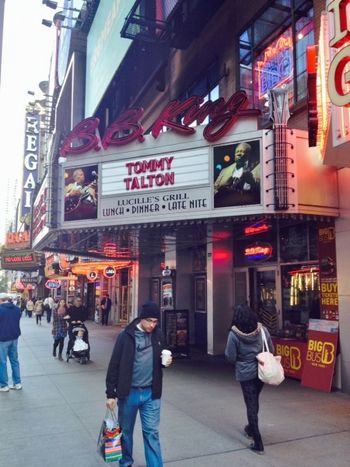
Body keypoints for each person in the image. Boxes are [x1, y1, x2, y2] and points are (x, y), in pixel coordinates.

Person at [105, 301, 172, 467]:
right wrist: (110, 394)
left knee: (152, 433)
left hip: (151, 393)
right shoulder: (126, 336)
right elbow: (114, 364)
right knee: (126, 432)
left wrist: (167, 362)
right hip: (129, 393)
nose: (152, 325)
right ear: (141, 318)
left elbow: (162, 358)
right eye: (149, 320)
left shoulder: (158, 335)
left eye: (156, 321)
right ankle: (126, 462)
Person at [225, 304, 274, 455]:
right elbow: (271, 350)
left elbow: (230, 356)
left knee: (250, 404)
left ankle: (257, 441)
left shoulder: (234, 334)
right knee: (254, 400)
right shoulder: (263, 330)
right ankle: (250, 428)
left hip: (245, 373)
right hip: (261, 371)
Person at [214, 142, 260, 207]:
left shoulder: (259, 167)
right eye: (237, 152)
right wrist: (220, 194)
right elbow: (214, 188)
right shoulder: (224, 171)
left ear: (248, 154)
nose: (238, 154)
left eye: (242, 151)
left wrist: (252, 182)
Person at [0, 292, 22, 392]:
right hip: (14, 338)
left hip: (3, 339)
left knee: (2, 362)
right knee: (14, 361)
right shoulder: (17, 309)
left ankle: (4, 385)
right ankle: (17, 383)